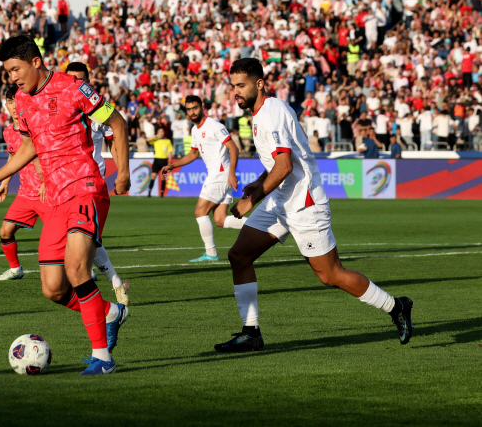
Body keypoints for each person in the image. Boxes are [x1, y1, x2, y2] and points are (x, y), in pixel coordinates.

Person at [214, 58, 413, 353]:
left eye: (240, 86)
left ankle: (396, 306)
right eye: (233, 86)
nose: (235, 92)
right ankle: (251, 332)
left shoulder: (272, 112)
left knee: (330, 274)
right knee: (239, 256)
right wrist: (258, 181)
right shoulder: (259, 114)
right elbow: (277, 163)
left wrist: (251, 200)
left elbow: (284, 165)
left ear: (259, 84)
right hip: (281, 201)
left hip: (304, 203)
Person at [0, 36, 131, 375]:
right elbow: (28, 149)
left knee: (76, 270)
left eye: (16, 69)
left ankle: (102, 358)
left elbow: (117, 122)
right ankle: (111, 313)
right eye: (8, 71)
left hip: (85, 188)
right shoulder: (24, 102)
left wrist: (123, 172)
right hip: (53, 198)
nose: (12, 77)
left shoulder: (73, 88)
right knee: (53, 288)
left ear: (36, 61)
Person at [64, 62, 130, 306]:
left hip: (92, 182)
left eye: (81, 79)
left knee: (85, 236)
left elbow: (117, 135)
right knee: (80, 238)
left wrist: (122, 171)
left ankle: (112, 283)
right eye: (71, 79)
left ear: (88, 81)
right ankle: (107, 279)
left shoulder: (100, 109)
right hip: (65, 182)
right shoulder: (59, 106)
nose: (76, 84)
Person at [160, 95, 244, 263]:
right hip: (218, 175)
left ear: (202, 107)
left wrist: (232, 173)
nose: (192, 112)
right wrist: (173, 165)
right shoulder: (195, 130)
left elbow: (233, 148)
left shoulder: (214, 125)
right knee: (220, 219)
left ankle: (211, 253)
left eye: (195, 108)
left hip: (220, 174)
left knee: (200, 211)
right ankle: (263, 228)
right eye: (189, 109)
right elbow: (193, 154)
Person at [0, 85, 45, 281]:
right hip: (25, 194)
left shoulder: (35, 126)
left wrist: (46, 182)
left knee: (65, 237)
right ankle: (15, 269)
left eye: (17, 100)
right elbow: (14, 157)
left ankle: (86, 269)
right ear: (6, 104)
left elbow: (47, 156)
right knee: (5, 231)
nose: (14, 106)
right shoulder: (8, 132)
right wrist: (5, 182)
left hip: (46, 191)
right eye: (10, 101)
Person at [147, 128, 173, 197]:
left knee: (162, 177)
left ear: (164, 132)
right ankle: (149, 192)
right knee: (153, 176)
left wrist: (170, 162)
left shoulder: (167, 141)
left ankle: (162, 193)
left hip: (164, 160)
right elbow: (148, 140)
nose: (161, 133)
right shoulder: (155, 140)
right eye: (160, 131)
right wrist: (156, 136)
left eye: (162, 131)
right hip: (157, 160)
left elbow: (169, 152)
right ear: (158, 132)